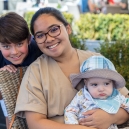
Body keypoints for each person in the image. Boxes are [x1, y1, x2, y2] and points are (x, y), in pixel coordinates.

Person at [15, 7, 129, 129]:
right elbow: (35, 124)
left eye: (54, 29)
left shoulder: (97, 60)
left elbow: (125, 103)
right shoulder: (36, 72)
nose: (49, 39)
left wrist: (111, 118)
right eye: (40, 35)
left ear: (68, 28)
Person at [0, 12, 42, 129]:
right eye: (6, 46)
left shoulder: (38, 51)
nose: (14, 52)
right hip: (11, 104)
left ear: (29, 39)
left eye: (19, 44)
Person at [65, 55, 129, 129]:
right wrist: (74, 125)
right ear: (86, 83)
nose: (101, 89)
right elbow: (70, 111)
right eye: (94, 84)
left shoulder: (116, 97)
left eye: (106, 83)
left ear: (113, 83)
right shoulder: (82, 95)